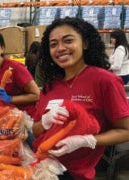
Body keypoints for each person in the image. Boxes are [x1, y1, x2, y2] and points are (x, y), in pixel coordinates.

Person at [31, 17, 129, 179]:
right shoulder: (51, 85)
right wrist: (44, 121)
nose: (60, 48)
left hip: (76, 174)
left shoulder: (104, 81)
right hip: (43, 169)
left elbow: (125, 131)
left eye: (68, 41)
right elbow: (35, 129)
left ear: (85, 43)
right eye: (53, 44)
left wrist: (88, 140)